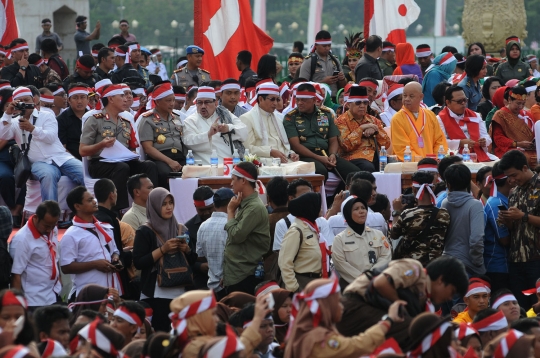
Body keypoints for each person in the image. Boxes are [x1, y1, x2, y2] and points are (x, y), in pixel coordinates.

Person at [336, 256, 469, 347]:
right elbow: (381, 283)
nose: (450, 298)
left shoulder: (425, 299)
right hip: (353, 307)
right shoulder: (415, 269)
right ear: (441, 280)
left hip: (365, 312)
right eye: (452, 292)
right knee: (415, 332)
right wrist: (400, 305)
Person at [80, 83, 158, 211]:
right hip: (99, 163)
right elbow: (82, 151)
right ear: (110, 99)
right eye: (121, 96)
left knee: (149, 165)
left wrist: (132, 153)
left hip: (123, 161)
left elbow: (133, 147)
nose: (126, 99)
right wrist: (102, 144)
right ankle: (118, 210)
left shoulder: (125, 122)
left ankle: (151, 205)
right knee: (122, 168)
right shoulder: (94, 120)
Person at [285, 276, 406, 358]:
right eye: (337, 302)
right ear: (327, 307)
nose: (342, 307)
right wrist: (388, 320)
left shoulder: (305, 330)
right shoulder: (318, 338)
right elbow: (355, 346)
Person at [0, 86, 84, 201]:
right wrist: (7, 114)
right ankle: (50, 215)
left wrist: (33, 129)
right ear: (15, 104)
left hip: (61, 157)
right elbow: (3, 135)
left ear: (33, 100)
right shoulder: (14, 122)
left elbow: (51, 137)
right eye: (20, 101)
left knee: (84, 173)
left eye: (26, 100)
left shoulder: (46, 115)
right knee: (48, 176)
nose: (24, 104)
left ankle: (89, 212)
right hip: (38, 162)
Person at [132, 187, 196, 332]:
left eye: (171, 203)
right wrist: (163, 249)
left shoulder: (181, 229)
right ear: (154, 206)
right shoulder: (145, 231)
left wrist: (187, 250)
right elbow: (139, 262)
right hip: (156, 294)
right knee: (159, 334)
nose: (169, 207)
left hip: (181, 293)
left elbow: (193, 261)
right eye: (164, 204)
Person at [283, 83, 359, 180]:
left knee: (355, 173)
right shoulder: (290, 117)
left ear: (314, 100)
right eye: (297, 99)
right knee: (321, 172)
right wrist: (319, 158)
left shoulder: (326, 115)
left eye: (304, 100)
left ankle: (342, 194)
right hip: (305, 156)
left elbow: (333, 139)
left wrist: (332, 155)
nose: (299, 103)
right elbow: (296, 146)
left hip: (326, 154)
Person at [61, 186, 123, 299]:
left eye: (93, 198)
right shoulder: (71, 234)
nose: (95, 201)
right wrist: (94, 264)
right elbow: (66, 267)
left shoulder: (105, 227)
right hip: (88, 294)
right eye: (89, 200)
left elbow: (115, 251)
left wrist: (115, 258)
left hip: (112, 291)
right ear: (77, 206)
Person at [498, 150, 540, 310]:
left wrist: (523, 216)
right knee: (521, 309)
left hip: (536, 258)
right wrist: (507, 220)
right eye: (508, 176)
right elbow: (515, 228)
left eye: (514, 175)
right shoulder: (513, 192)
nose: (511, 180)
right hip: (516, 259)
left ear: (524, 167)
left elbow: (524, 218)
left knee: (537, 307)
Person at [171, 291, 270, 357]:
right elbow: (236, 351)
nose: (217, 319)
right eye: (213, 314)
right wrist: (257, 319)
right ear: (199, 317)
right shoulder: (193, 347)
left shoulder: (201, 340)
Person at [223, 162, 270, 294]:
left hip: (244, 275)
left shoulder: (254, 208)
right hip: (236, 274)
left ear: (243, 180)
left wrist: (231, 211)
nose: (231, 184)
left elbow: (235, 236)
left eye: (233, 179)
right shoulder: (245, 204)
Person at [391, 171, 450, 267]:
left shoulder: (407, 214)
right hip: (435, 266)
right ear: (433, 188)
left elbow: (393, 235)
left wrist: (396, 212)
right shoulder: (444, 214)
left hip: (412, 267)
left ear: (414, 189)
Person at [9, 201, 61, 309]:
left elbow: (55, 258)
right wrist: (19, 306)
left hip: (54, 294)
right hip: (34, 301)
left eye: (52, 226)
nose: (49, 230)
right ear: (36, 217)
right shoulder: (22, 239)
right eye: (46, 226)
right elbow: (16, 274)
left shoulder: (51, 230)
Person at [332, 196, 391, 287]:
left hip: (376, 284)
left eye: (363, 208)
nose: (362, 211)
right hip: (351, 287)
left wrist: (371, 275)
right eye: (356, 209)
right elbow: (340, 264)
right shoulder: (339, 239)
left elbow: (385, 256)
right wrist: (361, 279)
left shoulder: (378, 235)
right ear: (348, 213)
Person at [278, 192, 329, 292]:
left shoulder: (311, 228)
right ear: (310, 208)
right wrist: (294, 288)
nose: (321, 209)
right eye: (318, 206)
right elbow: (284, 262)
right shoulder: (296, 231)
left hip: (316, 282)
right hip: (302, 283)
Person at [183, 86, 247, 164]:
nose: (203, 106)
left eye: (207, 102)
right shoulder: (190, 120)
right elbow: (188, 141)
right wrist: (208, 134)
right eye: (199, 102)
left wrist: (228, 128)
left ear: (216, 103)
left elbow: (244, 131)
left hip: (230, 163)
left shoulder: (224, 114)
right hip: (206, 165)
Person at [138, 82, 185, 189]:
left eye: (173, 100)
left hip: (179, 157)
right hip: (161, 158)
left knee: (193, 174)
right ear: (157, 102)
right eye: (168, 101)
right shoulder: (148, 119)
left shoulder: (176, 118)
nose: (172, 104)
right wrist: (170, 162)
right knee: (166, 174)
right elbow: (148, 148)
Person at [441, 164, 485, 276]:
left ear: (448, 185)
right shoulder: (475, 205)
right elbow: (476, 239)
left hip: (447, 261)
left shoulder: (445, 202)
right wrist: (478, 262)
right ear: (469, 183)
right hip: (468, 266)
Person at [240, 82, 299, 163]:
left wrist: (291, 154)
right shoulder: (247, 118)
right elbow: (247, 148)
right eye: (272, 99)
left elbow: (283, 145)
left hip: (284, 160)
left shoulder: (279, 118)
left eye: (277, 99)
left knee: (309, 168)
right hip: (263, 161)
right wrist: (270, 151)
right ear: (260, 99)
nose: (275, 103)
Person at [335, 86, 390, 172]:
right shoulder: (341, 121)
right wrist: (361, 129)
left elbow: (386, 144)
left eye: (365, 103)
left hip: (375, 155)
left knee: (392, 165)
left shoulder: (373, 120)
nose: (362, 106)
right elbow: (346, 146)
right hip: (353, 157)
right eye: (358, 103)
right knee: (368, 167)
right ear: (349, 104)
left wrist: (376, 131)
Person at [437, 85, 498, 162]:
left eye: (465, 100)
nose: (463, 103)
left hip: (478, 153)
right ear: (448, 102)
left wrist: (484, 141)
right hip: (456, 155)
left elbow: (486, 136)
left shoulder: (476, 115)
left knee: (499, 164)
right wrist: (460, 143)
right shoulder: (440, 118)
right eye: (459, 101)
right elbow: (440, 142)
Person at [390, 81, 448, 160]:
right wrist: (421, 161)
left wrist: (436, 158)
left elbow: (439, 141)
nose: (407, 99)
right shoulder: (397, 119)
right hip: (409, 165)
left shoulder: (430, 115)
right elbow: (401, 148)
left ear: (421, 97)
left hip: (433, 162)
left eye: (411, 96)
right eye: (404, 95)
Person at [273, 178, 332, 250]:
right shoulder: (283, 224)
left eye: (310, 195)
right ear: (291, 198)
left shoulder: (322, 221)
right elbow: (281, 254)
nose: (309, 199)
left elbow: (329, 248)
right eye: (304, 196)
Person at [197, 188, 234, 301]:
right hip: (230, 285)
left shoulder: (203, 226)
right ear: (231, 203)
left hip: (212, 287)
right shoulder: (232, 225)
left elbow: (200, 256)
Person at [483, 162, 512, 295]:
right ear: (509, 180)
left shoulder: (504, 199)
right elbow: (504, 240)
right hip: (498, 266)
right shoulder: (497, 204)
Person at [491, 86, 535, 160]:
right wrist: (517, 144)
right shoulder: (500, 115)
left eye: (523, 104)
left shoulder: (527, 115)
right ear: (509, 100)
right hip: (508, 150)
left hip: (529, 149)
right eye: (518, 103)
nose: (520, 107)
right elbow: (498, 139)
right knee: (524, 158)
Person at [185, 186, 214, 290]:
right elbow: (184, 258)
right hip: (200, 281)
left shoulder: (226, 222)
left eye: (209, 209)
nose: (206, 213)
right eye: (201, 210)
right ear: (195, 206)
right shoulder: (189, 227)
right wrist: (199, 266)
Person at [298, 31, 345, 95]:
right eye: (324, 46)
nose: (327, 48)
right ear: (316, 45)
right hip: (317, 99)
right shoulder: (309, 61)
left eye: (329, 45)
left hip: (334, 99)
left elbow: (343, 87)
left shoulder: (335, 60)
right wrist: (323, 83)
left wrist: (342, 79)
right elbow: (302, 85)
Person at [57, 83, 89, 160]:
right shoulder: (61, 119)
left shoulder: (93, 117)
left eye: (82, 97)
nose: (79, 101)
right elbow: (62, 147)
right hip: (71, 159)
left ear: (88, 99)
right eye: (75, 98)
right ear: (69, 100)